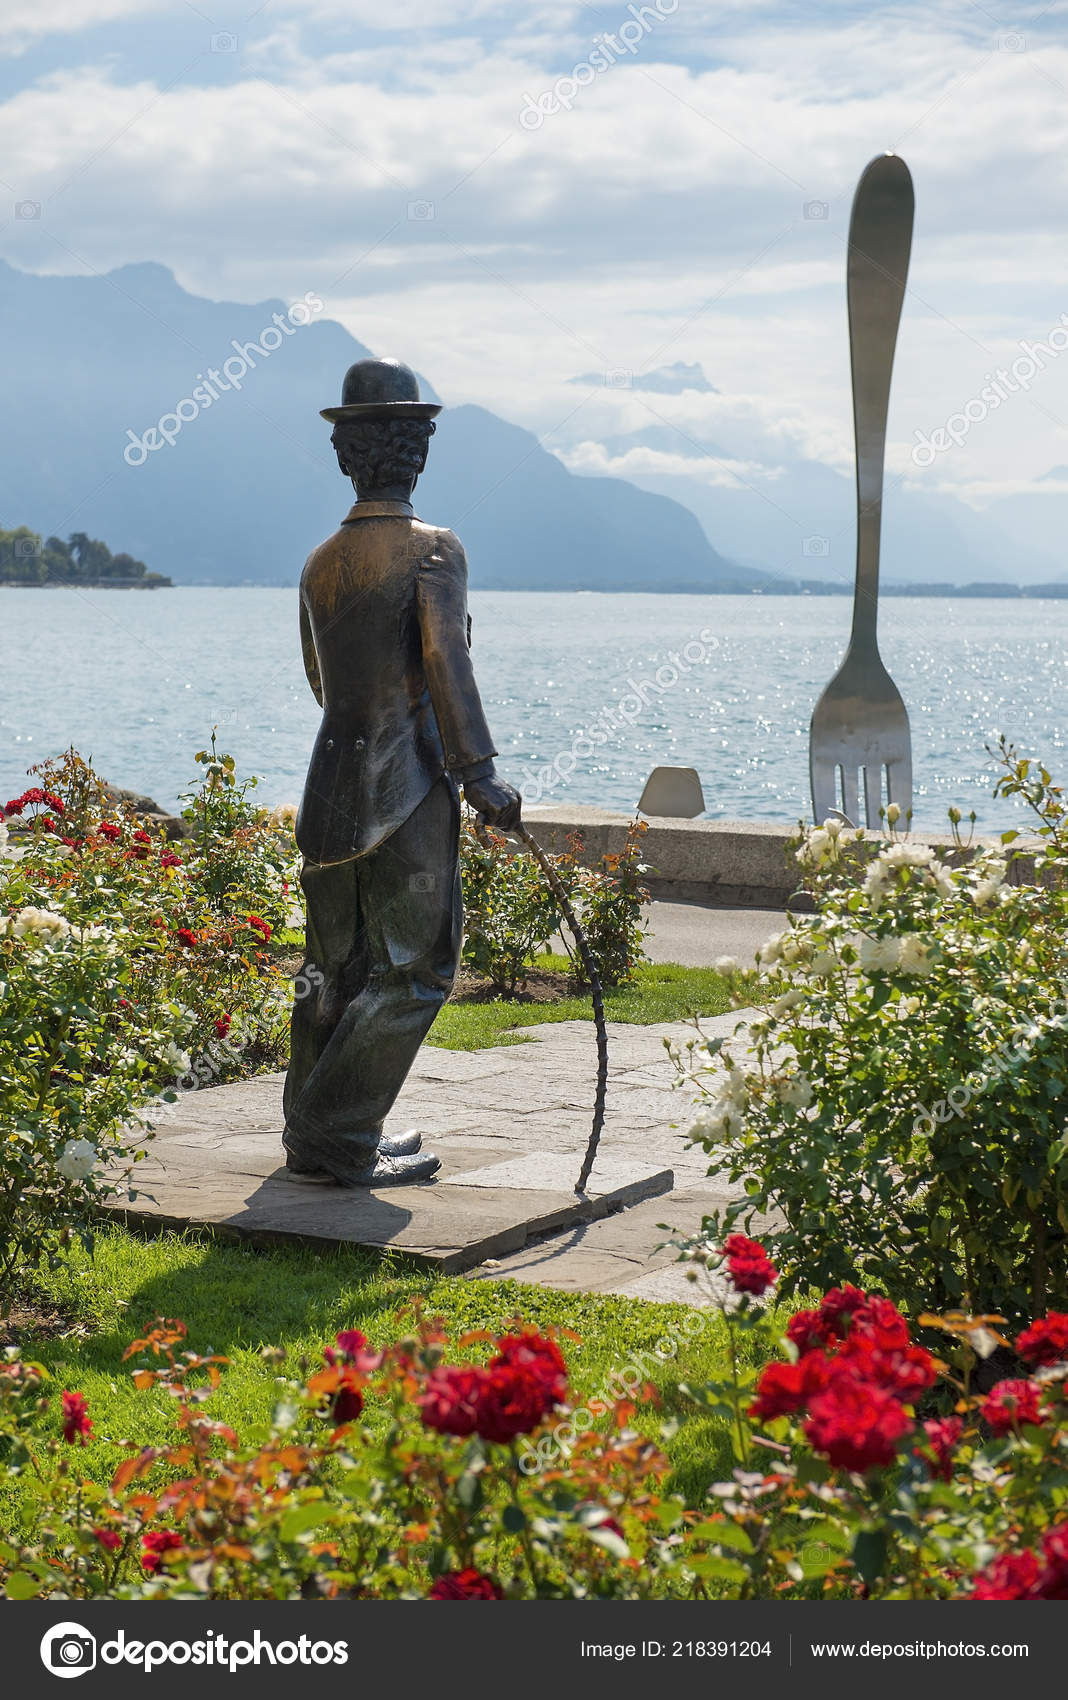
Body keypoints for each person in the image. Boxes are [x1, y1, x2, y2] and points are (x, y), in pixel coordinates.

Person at [282, 358, 521, 1185]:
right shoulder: (434, 551)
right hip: (406, 789)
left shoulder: (320, 561)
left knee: (332, 966)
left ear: (346, 455)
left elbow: (321, 677)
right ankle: (336, 1136)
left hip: (331, 788)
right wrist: (480, 773)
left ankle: (320, 1134)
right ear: (417, 450)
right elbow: (445, 662)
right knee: (416, 968)